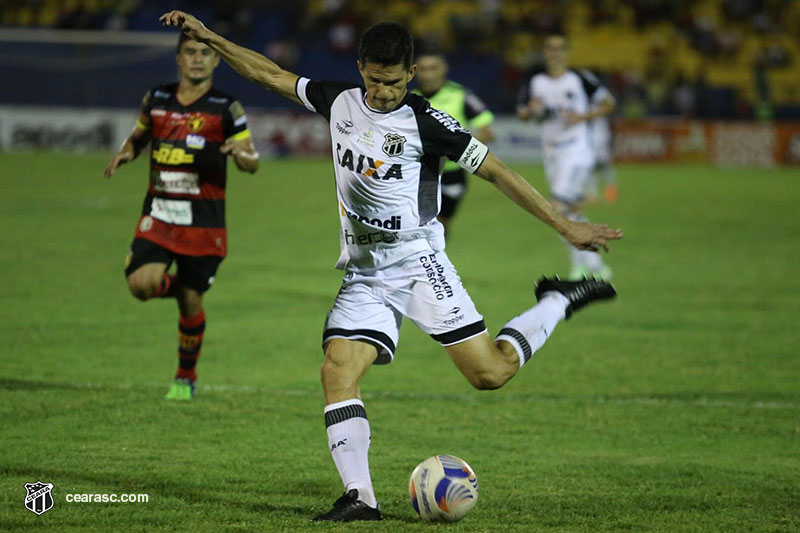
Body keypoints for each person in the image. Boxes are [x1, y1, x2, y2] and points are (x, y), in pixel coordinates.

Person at [159, 10, 622, 521]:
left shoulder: (427, 121)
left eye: (393, 82)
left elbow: (497, 171)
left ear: (411, 73)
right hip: (364, 273)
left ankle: (557, 299)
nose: (382, 92)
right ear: (361, 68)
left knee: (489, 374)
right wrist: (211, 37)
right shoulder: (340, 101)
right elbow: (268, 74)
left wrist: (565, 226)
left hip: (418, 263)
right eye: (374, 81)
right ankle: (361, 498)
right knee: (337, 370)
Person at [104, 32, 259, 401]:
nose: (197, 59)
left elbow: (252, 161)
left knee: (191, 303)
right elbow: (140, 136)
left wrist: (241, 154)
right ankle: (182, 288)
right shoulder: (156, 98)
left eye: (205, 53)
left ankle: (184, 377)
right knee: (140, 284)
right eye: (190, 52)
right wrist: (127, 152)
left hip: (204, 222)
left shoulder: (226, 107)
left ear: (217, 60)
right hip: (159, 213)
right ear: (178, 58)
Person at [517, 33, 616, 280]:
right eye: (550, 48)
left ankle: (587, 265)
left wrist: (582, 117)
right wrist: (531, 110)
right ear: (545, 52)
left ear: (567, 52)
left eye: (559, 48)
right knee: (567, 210)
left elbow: (608, 103)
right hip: (551, 151)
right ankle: (590, 265)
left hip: (577, 149)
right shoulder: (536, 81)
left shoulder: (580, 78)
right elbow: (522, 113)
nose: (554, 53)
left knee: (558, 207)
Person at [413, 50, 495, 236]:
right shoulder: (409, 100)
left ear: (444, 69)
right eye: (423, 69)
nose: (428, 74)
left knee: (441, 225)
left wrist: (452, 147)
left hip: (452, 174)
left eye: (433, 68)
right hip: (420, 174)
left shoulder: (461, 95)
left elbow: (487, 132)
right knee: (420, 226)